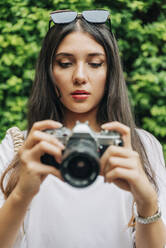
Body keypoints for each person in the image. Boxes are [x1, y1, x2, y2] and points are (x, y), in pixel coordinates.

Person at [0, 9, 166, 248]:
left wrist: (147, 201)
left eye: (95, 63)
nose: (79, 76)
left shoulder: (140, 147)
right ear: (49, 72)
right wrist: (21, 194)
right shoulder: (21, 147)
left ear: (110, 71)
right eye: (65, 63)